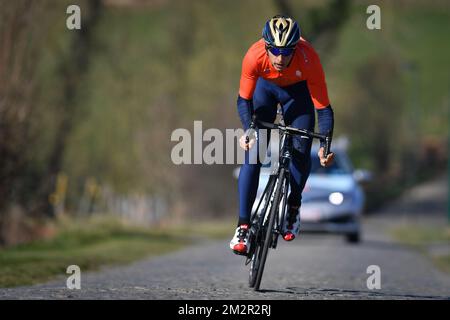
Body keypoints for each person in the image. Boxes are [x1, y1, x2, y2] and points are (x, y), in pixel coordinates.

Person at [230, 15, 335, 255]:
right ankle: (243, 226)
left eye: (287, 51)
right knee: (255, 154)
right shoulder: (254, 56)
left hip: (297, 98)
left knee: (301, 148)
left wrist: (325, 145)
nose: (280, 57)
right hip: (264, 92)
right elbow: (244, 99)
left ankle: (293, 206)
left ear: (296, 47)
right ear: (266, 46)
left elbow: (323, 108)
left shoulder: (309, 59)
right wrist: (249, 130)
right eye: (275, 50)